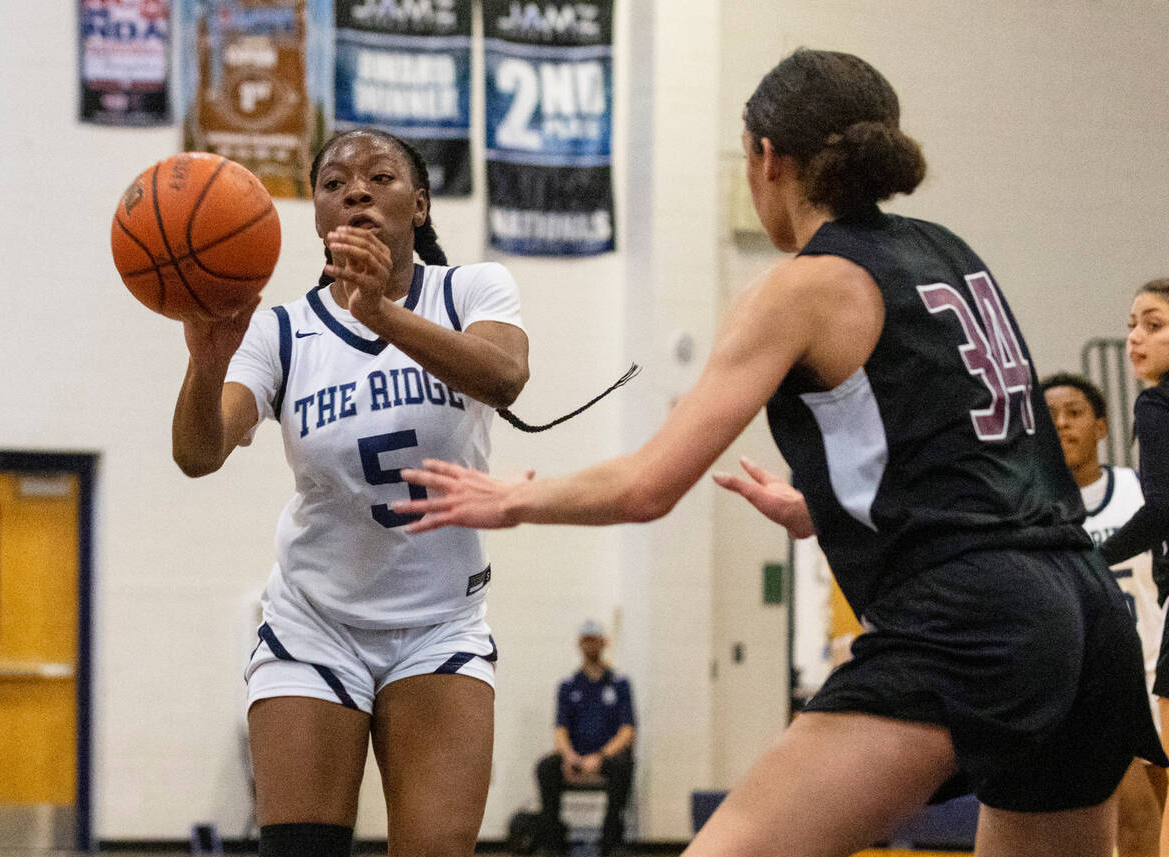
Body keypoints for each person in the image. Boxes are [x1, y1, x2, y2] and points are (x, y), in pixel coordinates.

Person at [394, 49, 1167, 856]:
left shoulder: (799, 287)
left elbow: (647, 485)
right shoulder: (948, 250)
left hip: (970, 619)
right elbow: (987, 443)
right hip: (1084, 609)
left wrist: (511, 499)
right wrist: (822, 505)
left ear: (767, 157)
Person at [171, 128, 530, 857]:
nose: (355, 189)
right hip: (315, 619)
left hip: (439, 624)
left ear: (420, 204)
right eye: (334, 182)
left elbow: (504, 375)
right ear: (317, 216)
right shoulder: (283, 331)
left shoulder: (471, 288)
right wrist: (206, 364)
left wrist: (381, 314)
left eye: (379, 176)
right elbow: (198, 453)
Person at [1042, 372, 1167, 857]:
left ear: (1100, 426)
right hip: (1094, 678)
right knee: (1136, 819)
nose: (1062, 425)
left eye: (1074, 413)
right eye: (1050, 417)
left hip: (1157, 667)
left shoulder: (1143, 493)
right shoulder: (1033, 507)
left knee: (1158, 818)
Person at [1101, 279, 1169, 857]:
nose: (1134, 338)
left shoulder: (1157, 403)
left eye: (1154, 324)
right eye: (1130, 325)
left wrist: (1089, 560)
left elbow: (1165, 508)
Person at [534, 619, 636, 856]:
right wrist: (570, 757)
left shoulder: (620, 684)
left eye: (594, 640)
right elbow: (560, 729)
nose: (590, 645)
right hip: (575, 757)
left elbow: (627, 731)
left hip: (607, 758)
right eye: (585, 640)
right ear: (579, 644)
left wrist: (600, 758)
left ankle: (609, 843)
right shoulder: (568, 686)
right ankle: (554, 844)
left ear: (603, 643)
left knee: (624, 767)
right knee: (546, 767)